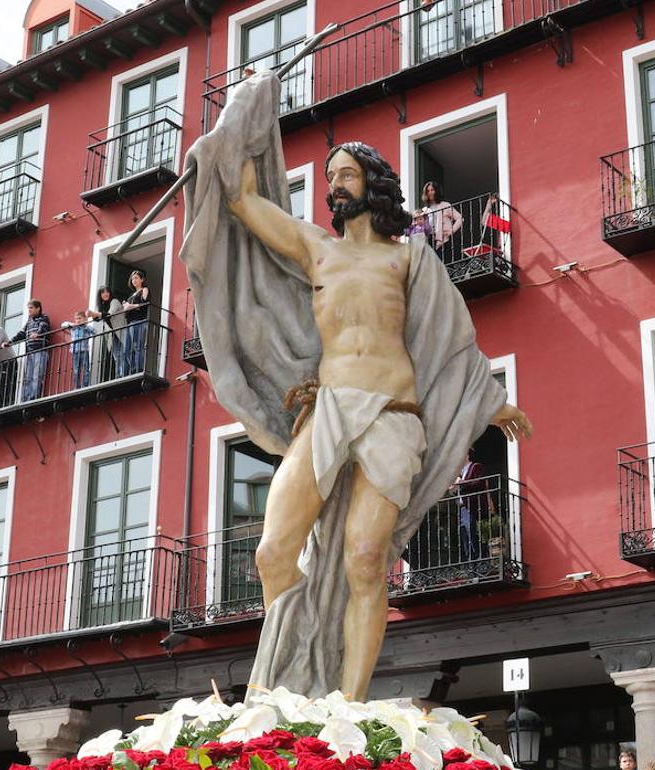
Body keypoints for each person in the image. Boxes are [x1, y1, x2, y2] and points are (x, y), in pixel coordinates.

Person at [193, 71, 531, 700]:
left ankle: (347, 704)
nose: (334, 187)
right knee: (272, 551)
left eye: (345, 175)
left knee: (365, 561)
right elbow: (242, 199)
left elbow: (449, 339)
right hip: (327, 411)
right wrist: (246, 107)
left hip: (393, 415)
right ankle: (286, 670)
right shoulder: (316, 249)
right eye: (328, 180)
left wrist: (490, 400)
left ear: (373, 183)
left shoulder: (408, 258)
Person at [5, 299, 51, 401]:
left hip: (40, 351)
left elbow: (43, 328)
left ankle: (33, 398)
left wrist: (37, 333)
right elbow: (21, 334)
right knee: (28, 377)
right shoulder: (29, 321)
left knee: (36, 377)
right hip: (29, 352)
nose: (29, 310)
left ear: (38, 308)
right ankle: (25, 399)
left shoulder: (44, 318)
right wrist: (10, 342)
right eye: (28, 308)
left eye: (31, 308)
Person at [421, 180, 463, 262]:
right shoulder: (424, 210)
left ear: (436, 191)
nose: (430, 192)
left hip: (444, 238)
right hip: (429, 238)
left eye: (432, 190)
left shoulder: (445, 205)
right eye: (428, 191)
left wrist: (452, 230)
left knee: (444, 261)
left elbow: (460, 218)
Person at [89, 286, 124, 382]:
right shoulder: (103, 305)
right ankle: (119, 376)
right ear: (100, 295)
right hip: (112, 334)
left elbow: (109, 314)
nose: (105, 294)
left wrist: (95, 314)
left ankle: (122, 375)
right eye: (103, 292)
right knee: (117, 356)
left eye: (107, 291)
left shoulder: (114, 301)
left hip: (120, 331)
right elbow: (97, 319)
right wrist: (92, 315)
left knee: (123, 354)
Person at [121, 270, 150, 376]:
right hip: (130, 323)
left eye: (136, 278)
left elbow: (145, 303)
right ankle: (132, 369)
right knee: (126, 350)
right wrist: (126, 306)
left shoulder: (144, 290)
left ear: (142, 279)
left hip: (139, 321)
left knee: (138, 346)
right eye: (133, 279)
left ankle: (139, 369)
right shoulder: (131, 295)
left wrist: (130, 306)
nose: (134, 280)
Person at [62, 310, 97, 390]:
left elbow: (95, 332)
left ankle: (85, 386)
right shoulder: (73, 328)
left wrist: (85, 325)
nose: (78, 320)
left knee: (85, 369)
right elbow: (63, 325)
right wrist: (72, 324)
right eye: (76, 318)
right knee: (76, 370)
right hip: (75, 351)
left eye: (80, 318)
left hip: (84, 350)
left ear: (85, 319)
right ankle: (76, 387)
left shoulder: (86, 328)